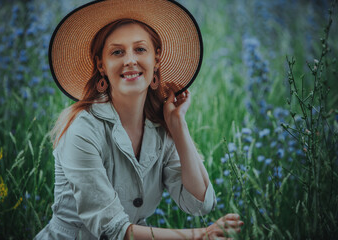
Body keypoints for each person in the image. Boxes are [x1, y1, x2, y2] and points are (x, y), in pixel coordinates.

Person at [35, 0, 244, 239]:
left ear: (157, 60)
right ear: (101, 65)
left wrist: (178, 126)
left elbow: (198, 204)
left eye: (140, 49)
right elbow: (114, 230)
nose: (130, 60)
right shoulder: (82, 130)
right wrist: (198, 236)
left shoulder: (159, 127)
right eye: (117, 52)